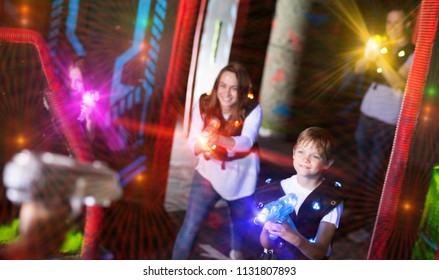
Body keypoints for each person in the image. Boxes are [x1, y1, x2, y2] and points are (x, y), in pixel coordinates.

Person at [172, 62, 262, 260]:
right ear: (216, 85)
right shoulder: (205, 103)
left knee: (240, 235)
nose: (226, 93)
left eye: (234, 88)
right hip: (208, 172)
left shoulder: (252, 109)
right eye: (223, 85)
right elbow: (193, 139)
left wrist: (218, 139)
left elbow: (247, 142)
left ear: (242, 91)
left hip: (241, 178)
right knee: (190, 228)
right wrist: (199, 145)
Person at [349, 6, 415, 243]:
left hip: (388, 118)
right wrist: (369, 54)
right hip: (368, 112)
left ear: (407, 25)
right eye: (389, 22)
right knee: (361, 168)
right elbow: (358, 69)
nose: (392, 27)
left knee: (376, 173)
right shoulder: (383, 45)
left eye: (397, 23)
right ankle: (355, 214)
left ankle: (368, 227)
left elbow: (398, 82)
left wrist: (380, 58)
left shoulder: (412, 52)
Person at [258, 127, 344, 260]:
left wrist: (292, 236)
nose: (305, 159)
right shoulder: (277, 189)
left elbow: (318, 254)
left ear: (327, 163)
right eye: (301, 152)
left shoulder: (329, 199)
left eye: (315, 156)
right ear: (293, 153)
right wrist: (267, 229)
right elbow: (267, 245)